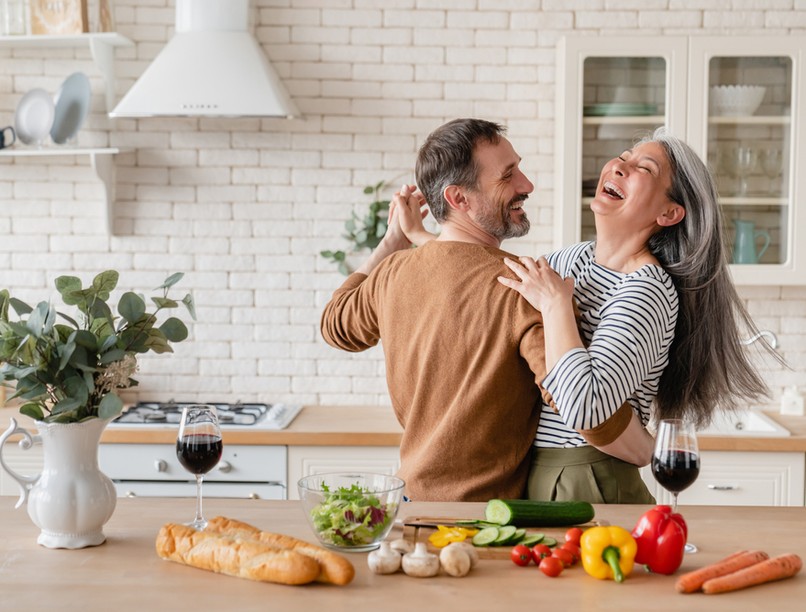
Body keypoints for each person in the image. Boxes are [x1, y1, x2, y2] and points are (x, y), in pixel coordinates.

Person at [494, 127, 775, 502]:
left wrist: (557, 306)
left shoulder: (647, 290)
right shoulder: (568, 260)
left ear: (669, 212)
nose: (619, 167)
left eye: (644, 167)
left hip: (590, 478)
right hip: (535, 471)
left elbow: (586, 408)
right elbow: (497, 295)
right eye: (623, 157)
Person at [320, 118, 548, 502]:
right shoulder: (523, 285)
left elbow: (335, 325)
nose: (526, 185)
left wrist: (392, 242)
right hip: (487, 519)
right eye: (508, 176)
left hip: (409, 505)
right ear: (459, 199)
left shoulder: (392, 272)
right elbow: (577, 402)